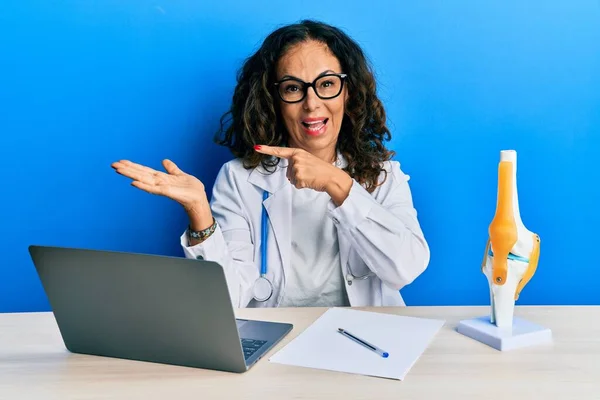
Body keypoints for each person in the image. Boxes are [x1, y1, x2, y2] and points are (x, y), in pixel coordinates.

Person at [111, 20, 429, 308]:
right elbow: (226, 300)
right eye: (293, 88)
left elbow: (405, 268)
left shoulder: (384, 177)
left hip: (365, 343)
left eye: (327, 83)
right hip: (278, 346)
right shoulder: (239, 179)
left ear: (349, 92)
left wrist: (338, 184)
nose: (312, 103)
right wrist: (199, 212)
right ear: (272, 101)